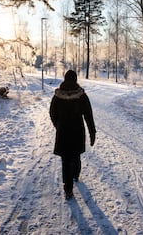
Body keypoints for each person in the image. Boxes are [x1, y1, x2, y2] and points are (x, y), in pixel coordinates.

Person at [49, 70, 96, 200]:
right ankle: (75, 174)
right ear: (75, 79)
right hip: (77, 131)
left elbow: (52, 113)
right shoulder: (81, 96)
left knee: (65, 160)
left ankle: (68, 189)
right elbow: (88, 116)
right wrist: (92, 132)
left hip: (63, 131)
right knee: (75, 155)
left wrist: (58, 125)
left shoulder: (57, 96)